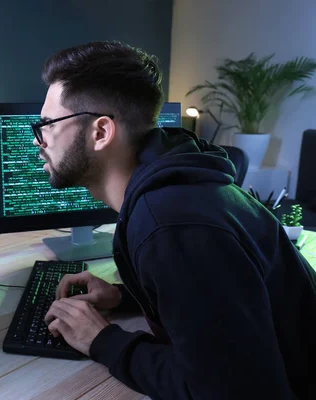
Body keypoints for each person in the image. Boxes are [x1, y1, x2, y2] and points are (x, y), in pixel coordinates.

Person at [35, 40, 316, 400]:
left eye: (47, 124)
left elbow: (231, 392)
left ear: (101, 133)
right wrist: (124, 297)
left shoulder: (172, 225)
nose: (38, 140)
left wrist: (102, 340)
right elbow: (221, 305)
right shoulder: (179, 193)